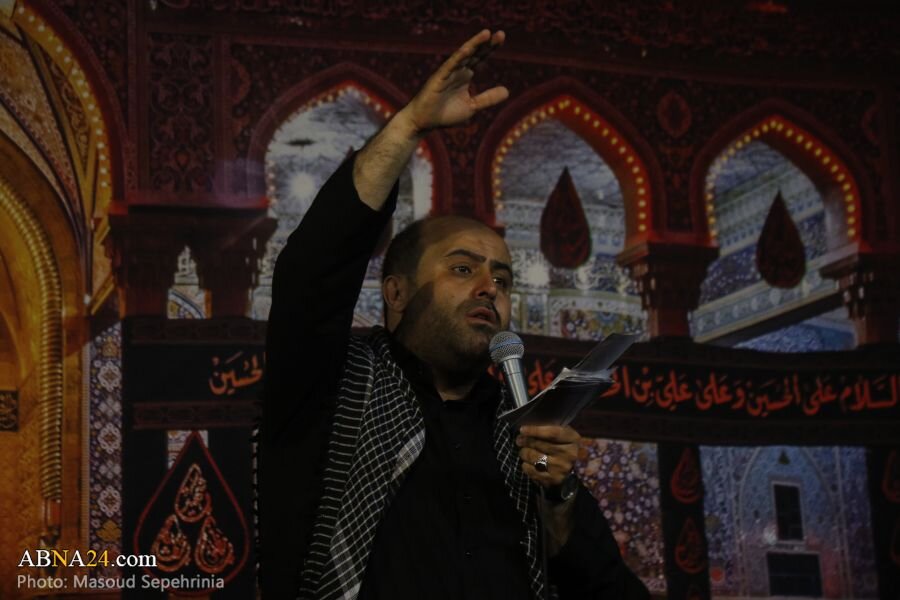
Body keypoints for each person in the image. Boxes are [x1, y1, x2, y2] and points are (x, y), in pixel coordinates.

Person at [256, 30, 650, 599]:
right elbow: (310, 273)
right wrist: (409, 127)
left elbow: (606, 588)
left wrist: (557, 497)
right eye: (463, 269)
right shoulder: (328, 389)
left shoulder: (520, 430)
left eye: (503, 279)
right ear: (395, 293)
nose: (490, 288)